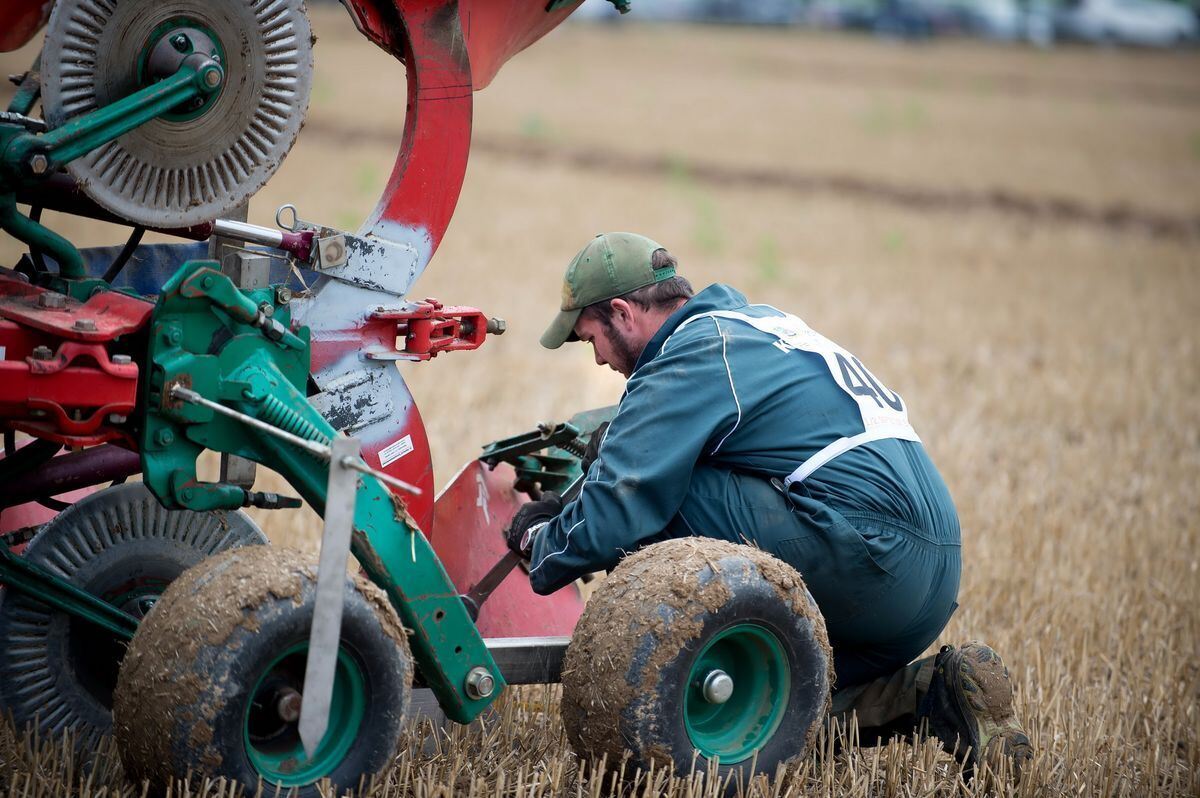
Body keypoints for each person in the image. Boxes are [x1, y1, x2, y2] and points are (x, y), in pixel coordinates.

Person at [506, 232, 1033, 778]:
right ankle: (931, 693)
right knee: (781, 712)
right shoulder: (758, 326)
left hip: (868, 555)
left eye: (591, 338)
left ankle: (682, 676)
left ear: (622, 313)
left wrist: (541, 542)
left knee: (658, 496)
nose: (598, 359)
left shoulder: (693, 352)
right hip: (931, 575)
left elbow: (622, 505)